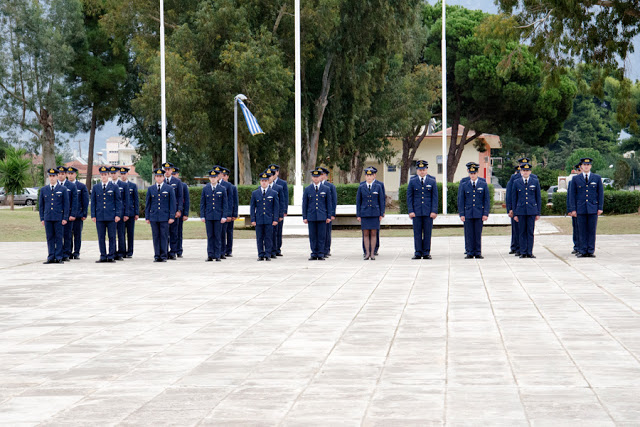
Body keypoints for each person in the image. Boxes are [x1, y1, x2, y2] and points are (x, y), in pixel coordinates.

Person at [567, 157, 604, 258]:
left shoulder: (596, 178)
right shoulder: (575, 179)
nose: (586, 166)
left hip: (592, 207)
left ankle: (590, 250)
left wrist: (600, 207)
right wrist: (573, 209)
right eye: (584, 165)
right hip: (580, 208)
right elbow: (572, 195)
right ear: (581, 166)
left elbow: (600, 193)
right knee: (581, 230)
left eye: (588, 165)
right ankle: (583, 250)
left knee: (591, 230)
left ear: (590, 166)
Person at [406, 160, 438, 259]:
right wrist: (411, 211)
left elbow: (435, 197)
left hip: (428, 212)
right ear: (417, 170)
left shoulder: (432, 180)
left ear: (427, 170)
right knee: (417, 233)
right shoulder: (412, 181)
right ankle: (418, 252)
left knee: (428, 233)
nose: (422, 172)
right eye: (420, 170)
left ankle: (426, 252)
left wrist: (434, 211)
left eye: (424, 170)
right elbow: (409, 197)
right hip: (416, 212)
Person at [458, 163, 490, 259]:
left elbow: (486, 200)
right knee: (468, 233)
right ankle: (470, 252)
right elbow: (461, 200)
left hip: (479, 213)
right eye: (471, 173)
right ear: (469, 173)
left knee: (477, 233)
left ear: (477, 173)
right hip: (468, 213)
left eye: (474, 173)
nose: (472, 175)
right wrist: (462, 214)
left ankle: (478, 252)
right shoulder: (464, 185)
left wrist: (485, 213)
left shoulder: (483, 184)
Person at [91, 166, 122, 263]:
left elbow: (118, 202)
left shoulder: (114, 187)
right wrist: (93, 215)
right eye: (102, 175)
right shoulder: (96, 187)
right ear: (100, 175)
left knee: (112, 236)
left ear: (108, 175)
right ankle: (103, 255)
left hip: (111, 216)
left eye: (105, 175)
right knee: (101, 237)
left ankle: (111, 255)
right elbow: (93, 202)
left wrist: (117, 215)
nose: (103, 176)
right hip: (100, 216)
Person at [39, 168, 70, 264]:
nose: (52, 178)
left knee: (59, 237)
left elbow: (66, 205)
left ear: (57, 177)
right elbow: (41, 205)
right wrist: (42, 218)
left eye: (53, 176)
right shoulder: (44, 190)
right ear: (48, 177)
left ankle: (59, 256)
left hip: (58, 217)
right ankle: (51, 256)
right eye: (50, 176)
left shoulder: (63, 189)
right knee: (49, 237)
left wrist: (65, 217)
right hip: (48, 217)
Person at [146, 168, 176, 262]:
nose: (159, 178)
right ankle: (156, 255)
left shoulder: (169, 188)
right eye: (157, 176)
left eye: (160, 176)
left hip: (164, 217)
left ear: (163, 177)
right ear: (155, 178)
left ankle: (163, 255)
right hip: (154, 216)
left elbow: (172, 203)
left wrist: (171, 216)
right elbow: (148, 204)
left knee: (164, 236)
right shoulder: (151, 189)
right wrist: (147, 217)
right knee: (155, 236)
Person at [512, 163, 541, 258]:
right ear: (521, 171)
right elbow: (514, 199)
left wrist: (538, 212)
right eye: (524, 170)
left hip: (532, 210)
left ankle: (529, 252)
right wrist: (515, 214)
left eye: (527, 170)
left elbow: (538, 198)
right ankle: (523, 252)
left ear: (530, 172)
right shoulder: (516, 182)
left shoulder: (535, 181)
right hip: (520, 211)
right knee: (522, 232)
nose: (525, 172)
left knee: (530, 232)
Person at [302, 169, 331, 260]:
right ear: (312, 178)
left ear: (320, 177)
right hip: (311, 216)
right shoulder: (308, 189)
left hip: (322, 216)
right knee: (313, 236)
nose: (316, 178)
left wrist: (328, 216)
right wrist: (305, 217)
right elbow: (305, 204)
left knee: (322, 236)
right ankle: (314, 253)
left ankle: (321, 253)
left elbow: (328, 204)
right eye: (314, 177)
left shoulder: (326, 189)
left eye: (317, 177)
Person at [200, 169, 229, 262]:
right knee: (210, 236)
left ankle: (217, 254)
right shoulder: (205, 189)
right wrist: (202, 215)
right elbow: (202, 203)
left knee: (218, 235)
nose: (213, 179)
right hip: (208, 216)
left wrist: (224, 216)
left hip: (218, 216)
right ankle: (210, 254)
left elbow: (225, 204)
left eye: (214, 177)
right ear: (209, 178)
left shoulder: (222, 189)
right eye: (211, 177)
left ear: (217, 178)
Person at [250, 171, 280, 261]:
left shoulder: (273, 193)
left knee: (268, 237)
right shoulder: (255, 193)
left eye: (265, 181)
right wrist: (253, 219)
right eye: (262, 181)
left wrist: (275, 219)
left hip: (269, 219)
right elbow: (252, 207)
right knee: (259, 238)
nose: (264, 182)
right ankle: (260, 254)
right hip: (259, 219)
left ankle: (267, 254)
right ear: (260, 182)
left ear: (268, 182)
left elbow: (276, 208)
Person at [357, 168, 385, 260]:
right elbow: (358, 201)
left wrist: (381, 213)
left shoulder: (378, 186)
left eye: (371, 175)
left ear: (374, 176)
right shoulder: (361, 187)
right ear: (365, 176)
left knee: (373, 233)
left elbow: (381, 201)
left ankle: (373, 253)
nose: (369, 177)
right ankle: (367, 253)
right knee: (365, 233)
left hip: (375, 213)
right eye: (367, 175)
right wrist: (358, 214)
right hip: (364, 213)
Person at [66, 166, 89, 260]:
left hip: (78, 215)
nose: (70, 176)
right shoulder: (64, 186)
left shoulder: (81, 186)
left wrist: (84, 213)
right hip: (67, 215)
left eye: (72, 174)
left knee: (77, 234)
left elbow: (85, 201)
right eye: (69, 174)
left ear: (75, 174)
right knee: (68, 235)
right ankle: (68, 251)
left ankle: (76, 252)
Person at [163, 162, 183, 260]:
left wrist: (179, 210)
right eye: (165, 170)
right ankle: (164, 251)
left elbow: (180, 197)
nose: (167, 171)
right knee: (164, 232)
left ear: (171, 170)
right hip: (163, 212)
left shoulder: (177, 182)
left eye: (168, 170)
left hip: (174, 211)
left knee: (174, 232)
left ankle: (173, 251)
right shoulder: (160, 181)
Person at [57, 166, 78, 261]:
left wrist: (73, 214)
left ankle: (66, 253)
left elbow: (74, 202)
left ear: (65, 174)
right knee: (57, 235)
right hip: (57, 215)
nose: (60, 176)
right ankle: (58, 252)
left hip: (68, 215)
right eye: (59, 174)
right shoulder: (54, 185)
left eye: (62, 174)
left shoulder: (71, 186)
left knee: (67, 235)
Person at [213, 165, 233, 259]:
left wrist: (229, 214)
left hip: (223, 213)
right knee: (214, 233)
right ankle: (215, 251)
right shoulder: (211, 185)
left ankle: (223, 251)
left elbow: (229, 201)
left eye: (219, 173)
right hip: (214, 214)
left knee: (223, 233)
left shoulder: (228, 185)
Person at [268, 164, 288, 256]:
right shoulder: (266, 182)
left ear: (277, 172)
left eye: (274, 172)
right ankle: (270, 248)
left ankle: (277, 249)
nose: (273, 174)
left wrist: (284, 211)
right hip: (269, 212)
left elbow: (285, 199)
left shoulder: (282, 183)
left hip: (278, 211)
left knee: (278, 231)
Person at [120, 167, 139, 258]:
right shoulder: (117, 185)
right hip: (121, 213)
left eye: (124, 174)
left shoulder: (133, 186)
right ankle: (122, 250)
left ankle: (130, 251)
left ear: (127, 174)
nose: (123, 176)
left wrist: (136, 213)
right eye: (122, 174)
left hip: (131, 213)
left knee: (130, 233)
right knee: (121, 233)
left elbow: (136, 200)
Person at [110, 166, 128, 261]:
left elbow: (126, 201)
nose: (113, 175)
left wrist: (126, 214)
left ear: (118, 174)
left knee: (121, 233)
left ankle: (121, 252)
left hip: (120, 213)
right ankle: (112, 252)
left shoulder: (123, 185)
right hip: (110, 214)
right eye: (112, 173)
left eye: (115, 173)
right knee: (112, 234)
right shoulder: (108, 185)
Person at [319, 167, 337, 257]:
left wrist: (332, 214)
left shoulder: (330, 186)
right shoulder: (314, 186)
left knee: (326, 232)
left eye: (322, 174)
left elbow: (333, 201)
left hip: (327, 213)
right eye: (319, 174)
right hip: (318, 213)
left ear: (326, 176)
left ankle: (326, 249)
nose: (320, 176)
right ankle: (319, 249)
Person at [220, 167, 238, 257]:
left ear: (227, 176)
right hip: (221, 213)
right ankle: (221, 249)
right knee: (221, 232)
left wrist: (233, 214)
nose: (223, 177)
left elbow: (234, 201)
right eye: (222, 175)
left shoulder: (231, 187)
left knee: (229, 232)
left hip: (229, 213)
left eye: (225, 175)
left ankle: (229, 250)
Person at [172, 167, 189, 258]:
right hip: (170, 211)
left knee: (178, 232)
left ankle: (179, 250)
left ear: (178, 175)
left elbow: (186, 200)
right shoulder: (167, 184)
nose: (173, 176)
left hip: (179, 211)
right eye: (172, 174)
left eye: (175, 174)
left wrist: (185, 213)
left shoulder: (183, 185)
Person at [506, 165, 521, 256]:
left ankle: (520, 247)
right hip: (515, 208)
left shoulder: (533, 178)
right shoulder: (513, 179)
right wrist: (510, 209)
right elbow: (509, 195)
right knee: (515, 229)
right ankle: (515, 246)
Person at [568, 162, 581, 255]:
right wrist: (569, 209)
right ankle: (576, 246)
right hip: (575, 208)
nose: (579, 171)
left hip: (584, 208)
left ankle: (583, 246)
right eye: (578, 170)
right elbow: (569, 196)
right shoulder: (572, 181)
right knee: (576, 228)